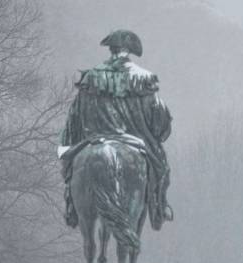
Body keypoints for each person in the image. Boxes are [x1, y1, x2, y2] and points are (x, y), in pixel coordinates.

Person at [60, 29, 173, 230]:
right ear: (129, 50)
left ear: (111, 49)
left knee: (70, 166)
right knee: (162, 168)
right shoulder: (144, 78)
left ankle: (71, 205)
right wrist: (157, 135)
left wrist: (69, 143)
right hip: (135, 140)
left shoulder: (90, 77)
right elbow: (160, 119)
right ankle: (159, 207)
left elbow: (74, 117)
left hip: (93, 139)